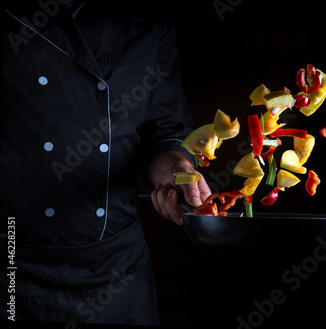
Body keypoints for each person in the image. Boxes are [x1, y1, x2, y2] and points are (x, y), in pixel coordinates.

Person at [0, 1, 210, 325]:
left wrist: (177, 168)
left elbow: (163, 128)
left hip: (117, 268)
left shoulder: (148, 17)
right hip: (15, 262)